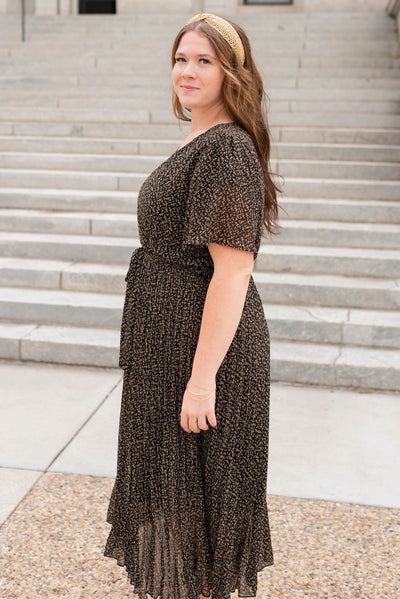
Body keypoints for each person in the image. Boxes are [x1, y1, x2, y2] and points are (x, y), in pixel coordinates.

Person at [104, 12, 281, 599]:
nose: (187, 71)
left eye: (204, 60)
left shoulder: (226, 148)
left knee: (196, 523)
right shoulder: (201, 140)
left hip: (203, 360)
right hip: (167, 350)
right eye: (181, 58)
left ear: (233, 71)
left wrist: (202, 381)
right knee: (175, 518)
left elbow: (233, 272)